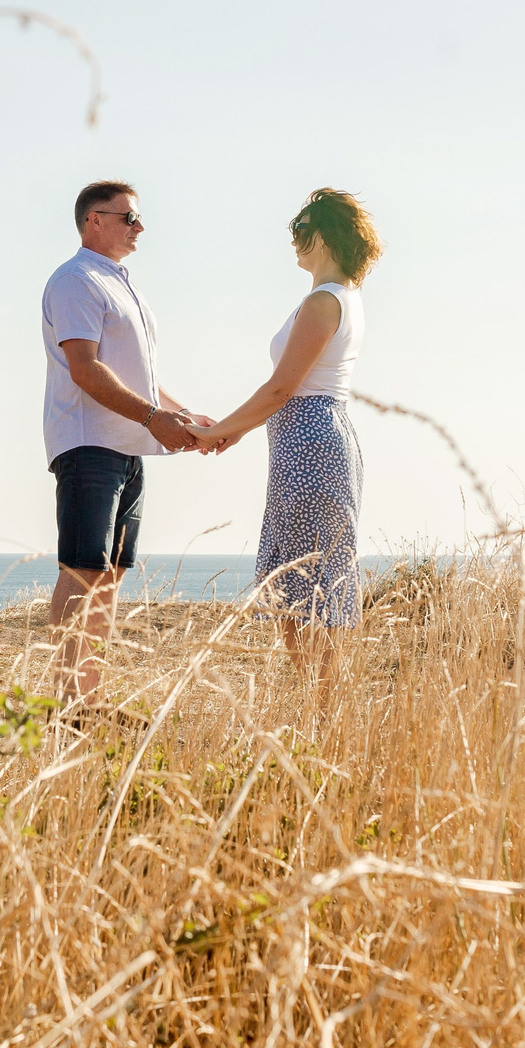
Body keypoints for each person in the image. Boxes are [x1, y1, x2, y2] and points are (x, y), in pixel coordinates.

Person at [192, 188, 381, 707]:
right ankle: (322, 713)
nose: (293, 245)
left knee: (305, 587)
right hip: (310, 438)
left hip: (309, 440)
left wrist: (220, 430)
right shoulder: (336, 297)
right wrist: (230, 429)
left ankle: (324, 714)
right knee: (306, 588)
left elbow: (283, 387)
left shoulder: (326, 301)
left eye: (299, 233)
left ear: (319, 235)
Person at [42, 181, 212, 702]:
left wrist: (182, 415)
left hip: (129, 450)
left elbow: (135, 374)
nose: (140, 228)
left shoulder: (120, 284)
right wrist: (154, 415)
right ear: (94, 220)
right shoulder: (75, 281)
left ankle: (90, 702)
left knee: (110, 576)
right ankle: (65, 706)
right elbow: (86, 370)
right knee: (83, 570)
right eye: (128, 218)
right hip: (89, 444)